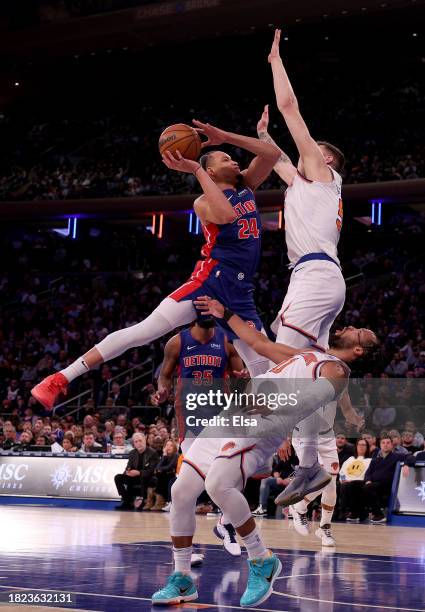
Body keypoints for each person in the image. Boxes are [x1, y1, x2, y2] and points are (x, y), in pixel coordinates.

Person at [31, 121, 281, 410]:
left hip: (240, 292)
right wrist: (197, 170)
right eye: (225, 158)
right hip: (210, 281)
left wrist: (224, 137)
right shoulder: (203, 202)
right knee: (144, 331)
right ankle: (60, 378)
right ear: (210, 171)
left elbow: (272, 154)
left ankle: (278, 441)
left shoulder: (247, 184)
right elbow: (225, 215)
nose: (234, 159)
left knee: (264, 369)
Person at [151, 297, 378, 607]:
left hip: (263, 423)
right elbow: (258, 343)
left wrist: (271, 405)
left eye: (360, 331)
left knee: (218, 484)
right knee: (182, 490)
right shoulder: (309, 353)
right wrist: (225, 313)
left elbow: (309, 400)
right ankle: (182, 580)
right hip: (235, 412)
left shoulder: (337, 371)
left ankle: (261, 559)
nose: (352, 326)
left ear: (358, 351)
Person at [255, 30, 363, 531]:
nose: (305, 152)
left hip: (315, 276)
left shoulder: (321, 172)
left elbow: (290, 106)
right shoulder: (303, 183)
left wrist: (276, 62)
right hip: (319, 276)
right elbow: (273, 155)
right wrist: (260, 137)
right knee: (311, 375)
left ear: (328, 160)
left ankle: (284, 456)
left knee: (282, 362)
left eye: (314, 149)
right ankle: (312, 461)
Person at [153, 316, 245, 556]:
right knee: (190, 483)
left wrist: (243, 379)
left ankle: (225, 524)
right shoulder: (177, 342)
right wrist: (162, 390)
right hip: (190, 415)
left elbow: (239, 377)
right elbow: (165, 375)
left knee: (234, 472)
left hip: (221, 412)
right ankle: (186, 548)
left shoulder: (227, 341)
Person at [355, 436, 401, 523]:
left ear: (392, 445)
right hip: (374, 484)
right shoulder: (375, 459)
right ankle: (357, 513)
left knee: (368, 488)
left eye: (388, 443)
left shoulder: (396, 456)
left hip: (386, 485)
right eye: (383, 443)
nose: (385, 445)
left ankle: (379, 515)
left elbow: (410, 457)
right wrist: (368, 480)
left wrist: (406, 464)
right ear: (380, 445)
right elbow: (368, 473)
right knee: (353, 485)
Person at [114, 432, 159, 510]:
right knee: (118, 477)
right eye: (136, 442)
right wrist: (127, 472)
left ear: (145, 440)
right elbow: (128, 467)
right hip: (134, 477)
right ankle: (127, 501)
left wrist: (139, 473)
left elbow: (152, 471)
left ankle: (144, 501)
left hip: (148, 477)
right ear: (134, 444)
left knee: (143, 477)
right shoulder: (132, 453)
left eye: (140, 441)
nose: (138, 443)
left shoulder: (152, 453)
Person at [339, 438, 372, 522]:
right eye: (359, 445)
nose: (361, 447)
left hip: (360, 482)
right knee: (341, 485)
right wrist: (343, 480)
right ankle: (342, 512)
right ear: (356, 446)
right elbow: (342, 472)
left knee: (351, 485)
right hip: (346, 482)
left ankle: (352, 513)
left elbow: (369, 474)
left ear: (367, 447)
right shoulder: (350, 459)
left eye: (364, 445)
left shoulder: (370, 460)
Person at [145, 440, 178, 511]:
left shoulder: (176, 455)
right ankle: (150, 502)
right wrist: (164, 456)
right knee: (152, 479)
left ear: (174, 447)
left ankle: (160, 502)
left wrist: (161, 469)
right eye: (167, 445)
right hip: (164, 475)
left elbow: (169, 467)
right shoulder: (165, 456)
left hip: (173, 476)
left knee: (160, 476)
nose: (168, 447)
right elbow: (157, 467)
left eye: (171, 445)